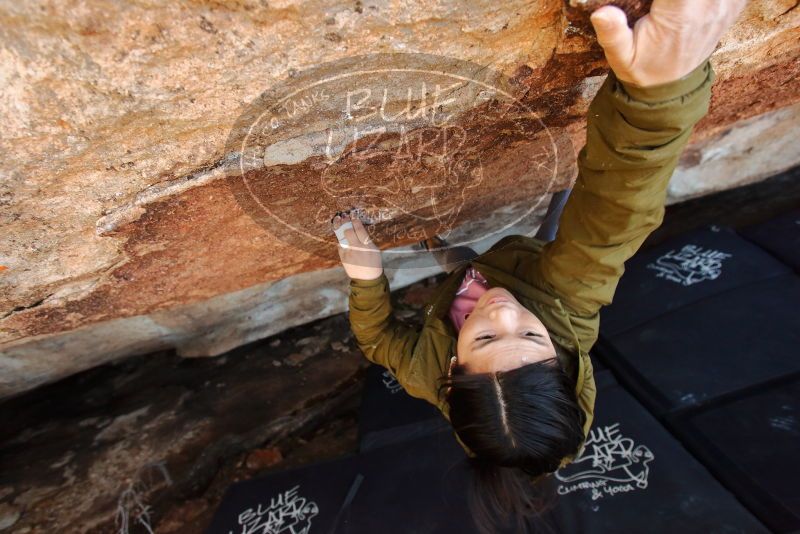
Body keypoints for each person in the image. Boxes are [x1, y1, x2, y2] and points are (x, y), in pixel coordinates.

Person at [332, 1, 746, 532]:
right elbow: (617, 213)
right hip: (536, 268)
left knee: (459, 263)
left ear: (454, 372)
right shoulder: (570, 299)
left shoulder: (422, 370)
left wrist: (366, 278)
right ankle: (557, 201)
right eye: (531, 336)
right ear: (559, 356)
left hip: (474, 275)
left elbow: (377, 339)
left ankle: (453, 255)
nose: (502, 312)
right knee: (560, 227)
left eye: (484, 339)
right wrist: (658, 96)